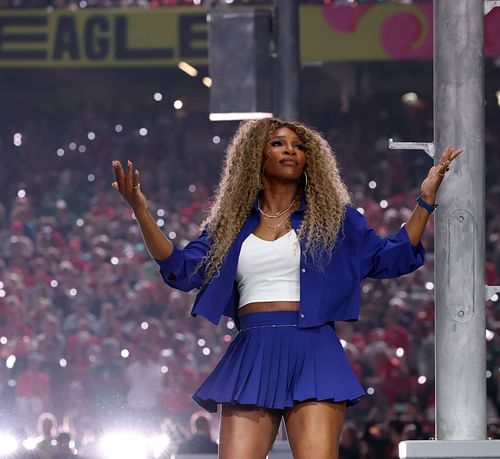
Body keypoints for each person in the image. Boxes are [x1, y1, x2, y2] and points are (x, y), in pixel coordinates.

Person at [112, 118, 461, 459]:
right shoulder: (231, 223)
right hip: (253, 350)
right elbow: (180, 268)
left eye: (298, 146)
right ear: (256, 155)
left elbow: (393, 257)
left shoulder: (335, 219)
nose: (290, 151)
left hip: (314, 349)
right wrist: (141, 211)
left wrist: (426, 200)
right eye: (278, 143)